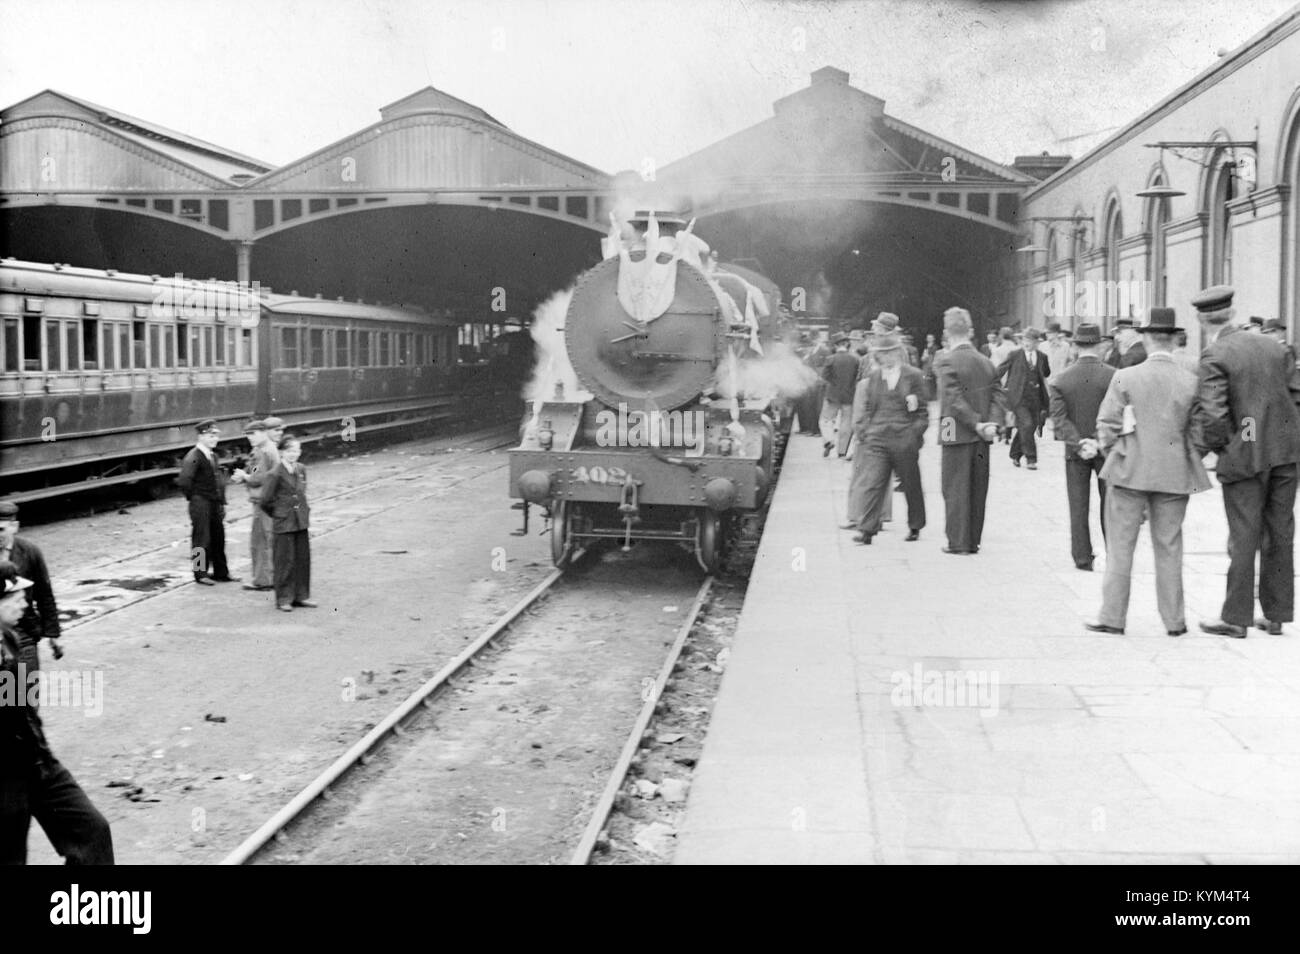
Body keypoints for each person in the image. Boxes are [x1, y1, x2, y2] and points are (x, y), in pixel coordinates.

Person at [1085, 314, 1210, 637]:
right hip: (1174, 473)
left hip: (1129, 471)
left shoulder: (1125, 377)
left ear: (1148, 339)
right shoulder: (1190, 380)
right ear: (1173, 340)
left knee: (1121, 546)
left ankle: (1113, 617)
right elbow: (1201, 430)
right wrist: (1188, 452)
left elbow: (1107, 424)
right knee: (1169, 547)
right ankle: (1175, 621)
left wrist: (1117, 450)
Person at [1191, 286, 1300, 638]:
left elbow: (1213, 413)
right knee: (1280, 533)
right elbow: (1295, 396)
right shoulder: (1275, 347)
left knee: (1244, 535)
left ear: (1201, 319)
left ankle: (1236, 618)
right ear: (1233, 312)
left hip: (1246, 455)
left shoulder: (1215, 354)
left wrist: (1226, 447)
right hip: (1285, 452)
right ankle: (1277, 615)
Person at [0, 561, 115, 865]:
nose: (24, 602)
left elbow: (20, 707)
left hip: (36, 762)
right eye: (15, 596)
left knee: (92, 832)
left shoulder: (10, 639)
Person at [935, 307, 1008, 555]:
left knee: (954, 488)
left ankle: (957, 542)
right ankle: (973, 541)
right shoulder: (986, 362)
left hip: (952, 431)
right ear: (971, 332)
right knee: (978, 488)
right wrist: (991, 424)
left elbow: (953, 400)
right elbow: (999, 394)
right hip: (983, 435)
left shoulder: (945, 360)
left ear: (946, 333)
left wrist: (975, 422)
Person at [848, 332, 928, 544]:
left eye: (889, 352)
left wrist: (913, 434)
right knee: (872, 483)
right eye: (881, 354)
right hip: (877, 439)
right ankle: (867, 530)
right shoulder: (873, 378)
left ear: (897, 353)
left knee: (911, 484)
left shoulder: (914, 375)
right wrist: (866, 430)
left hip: (904, 438)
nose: (885, 357)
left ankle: (915, 526)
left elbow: (923, 413)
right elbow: (866, 407)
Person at [1048, 322, 1115, 571]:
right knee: (1110, 503)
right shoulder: (1113, 375)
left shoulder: (1060, 380)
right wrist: (1099, 441)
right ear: (1099, 345)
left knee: (1078, 505)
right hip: (1106, 450)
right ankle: (1114, 554)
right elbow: (1118, 415)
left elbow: (1059, 420)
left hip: (1075, 452)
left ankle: (1082, 558)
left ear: (1074, 346)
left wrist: (1079, 443)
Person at [0, 501, 62, 672]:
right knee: (5, 695)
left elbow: (44, 593)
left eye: (1, 530)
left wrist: (53, 633)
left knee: (25, 694)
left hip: (25, 633)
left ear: (15, 526)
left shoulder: (30, 551)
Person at [176, 420, 239, 585]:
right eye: (210, 436)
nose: (214, 439)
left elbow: (217, 480)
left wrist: (220, 502)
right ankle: (200, 573)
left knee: (218, 537)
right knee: (200, 538)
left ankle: (221, 572)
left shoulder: (212, 455)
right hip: (200, 502)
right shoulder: (194, 456)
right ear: (201, 436)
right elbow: (184, 481)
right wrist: (195, 497)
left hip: (213, 502)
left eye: (216, 435)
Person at [260, 435, 316, 612]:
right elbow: (265, 500)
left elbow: (301, 492)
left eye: (296, 451)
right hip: (284, 523)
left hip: (300, 521)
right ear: (282, 452)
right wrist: (279, 514)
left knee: (302, 559)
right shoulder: (275, 473)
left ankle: (301, 596)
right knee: (284, 561)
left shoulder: (301, 469)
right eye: (289, 451)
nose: (293, 454)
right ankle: (284, 598)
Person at [231, 419, 279, 592]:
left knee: (260, 541)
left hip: (262, 501)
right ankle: (270, 577)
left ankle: (262, 580)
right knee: (268, 539)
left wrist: (244, 476)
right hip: (270, 500)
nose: (250, 438)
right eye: (248, 435)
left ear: (263, 432)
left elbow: (258, 477)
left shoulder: (261, 451)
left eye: (253, 434)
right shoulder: (270, 447)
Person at [996, 327, 1051, 470]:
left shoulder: (1042, 356)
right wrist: (995, 384)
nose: (1027, 343)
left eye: (1031, 340)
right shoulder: (1014, 355)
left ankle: (1015, 453)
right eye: (1025, 340)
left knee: (1029, 427)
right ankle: (1031, 459)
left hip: (1036, 398)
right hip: (1018, 398)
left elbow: (1046, 372)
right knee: (1026, 424)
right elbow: (1000, 371)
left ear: (1037, 343)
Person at [820, 336, 860, 458]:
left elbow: (824, 376)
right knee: (846, 423)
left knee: (826, 420)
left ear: (836, 345)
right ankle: (842, 451)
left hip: (832, 395)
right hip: (849, 395)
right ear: (847, 345)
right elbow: (858, 377)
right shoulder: (855, 360)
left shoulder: (830, 359)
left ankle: (829, 440)